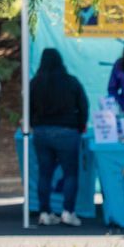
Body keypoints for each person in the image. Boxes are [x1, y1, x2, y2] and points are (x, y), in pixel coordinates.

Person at [27, 47, 88, 228]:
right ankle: (68, 212)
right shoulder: (71, 82)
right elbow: (83, 107)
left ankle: (45, 212)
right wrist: (80, 126)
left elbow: (28, 108)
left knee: (44, 174)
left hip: (42, 132)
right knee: (70, 174)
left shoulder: (35, 83)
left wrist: (33, 124)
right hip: (68, 132)